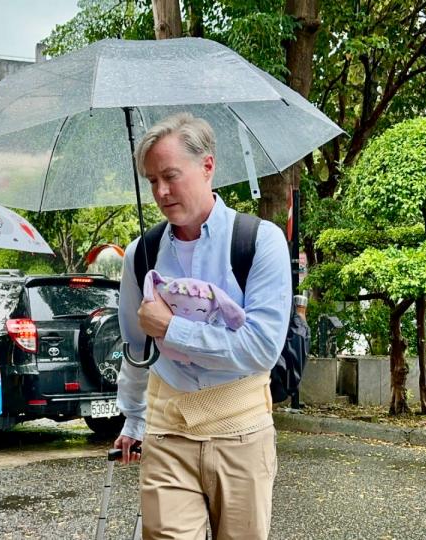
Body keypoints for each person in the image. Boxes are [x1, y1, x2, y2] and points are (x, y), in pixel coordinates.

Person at [114, 113, 292, 539]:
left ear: (207, 166)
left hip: (242, 432)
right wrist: (134, 420)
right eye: (152, 180)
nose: (160, 191)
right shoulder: (141, 254)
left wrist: (172, 328)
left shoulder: (259, 241)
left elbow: (261, 348)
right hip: (167, 435)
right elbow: (136, 348)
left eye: (170, 176)